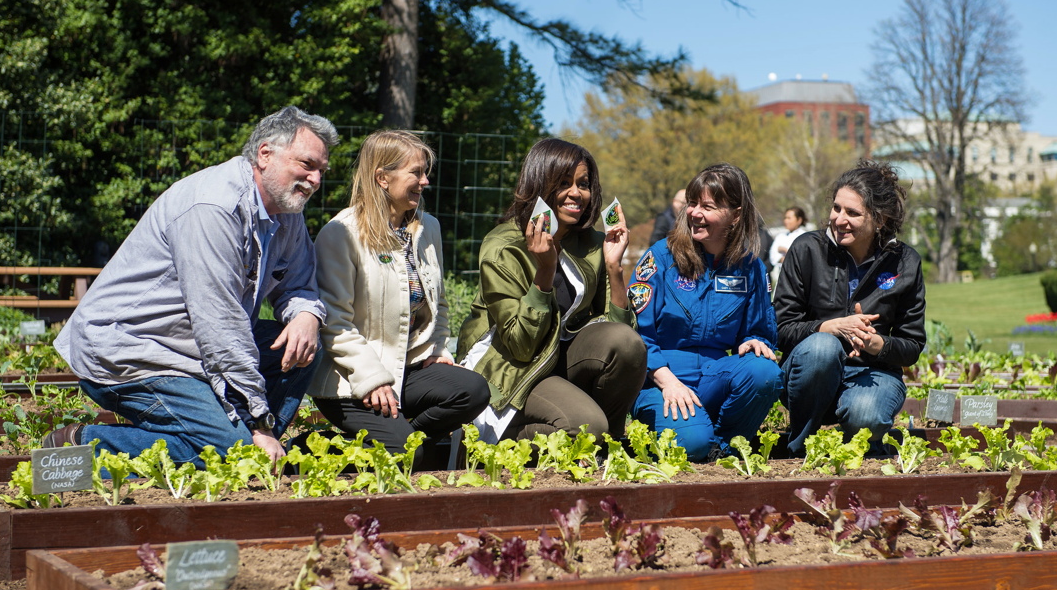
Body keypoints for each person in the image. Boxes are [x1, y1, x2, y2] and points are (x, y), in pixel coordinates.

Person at [47, 106, 337, 466]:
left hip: (188, 349)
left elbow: (299, 284)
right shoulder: (213, 207)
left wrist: (306, 315)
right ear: (265, 154)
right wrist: (259, 424)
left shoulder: (285, 212)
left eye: (321, 171)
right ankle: (83, 443)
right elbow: (220, 326)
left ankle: (248, 445)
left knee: (304, 346)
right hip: (133, 350)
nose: (315, 180)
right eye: (307, 165)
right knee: (235, 453)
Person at [307, 131, 490, 469]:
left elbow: (439, 302)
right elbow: (334, 322)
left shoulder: (427, 228)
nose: (425, 181)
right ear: (382, 178)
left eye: (425, 172)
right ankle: (311, 451)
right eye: (416, 173)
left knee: (473, 391)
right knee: (415, 455)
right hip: (351, 380)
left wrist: (437, 350)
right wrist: (373, 379)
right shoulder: (342, 233)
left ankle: (397, 441)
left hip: (407, 372)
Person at [457, 138, 646, 442]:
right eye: (563, 183)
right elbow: (520, 345)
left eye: (583, 184)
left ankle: (609, 444)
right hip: (512, 367)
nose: (576, 193)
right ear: (539, 184)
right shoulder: (504, 245)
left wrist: (614, 267)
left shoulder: (593, 244)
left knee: (626, 344)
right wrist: (545, 272)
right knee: (585, 427)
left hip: (560, 359)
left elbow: (625, 341)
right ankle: (499, 440)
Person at [629, 163, 782, 461]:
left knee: (764, 371)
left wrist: (753, 339)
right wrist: (668, 381)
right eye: (693, 203)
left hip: (714, 377)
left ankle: (721, 447)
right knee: (692, 444)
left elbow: (760, 331)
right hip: (660, 381)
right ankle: (700, 438)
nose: (695, 213)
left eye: (708, 206)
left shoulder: (750, 267)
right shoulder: (659, 257)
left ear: (735, 215)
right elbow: (635, 335)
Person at [774, 160, 926, 457]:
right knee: (822, 347)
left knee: (865, 419)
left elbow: (912, 344)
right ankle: (799, 444)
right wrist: (827, 327)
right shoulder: (806, 249)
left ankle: (851, 451)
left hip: (873, 372)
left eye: (852, 213)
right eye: (836, 208)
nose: (838, 219)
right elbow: (779, 327)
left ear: (879, 219)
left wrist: (875, 343)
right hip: (810, 372)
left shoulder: (905, 262)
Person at [769, 206, 810, 286]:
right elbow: (773, 255)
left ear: (799, 220)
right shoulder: (780, 236)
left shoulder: (805, 236)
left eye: (789, 218)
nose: (786, 221)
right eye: (785, 218)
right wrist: (782, 258)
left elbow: (802, 257)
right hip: (780, 276)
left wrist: (784, 250)